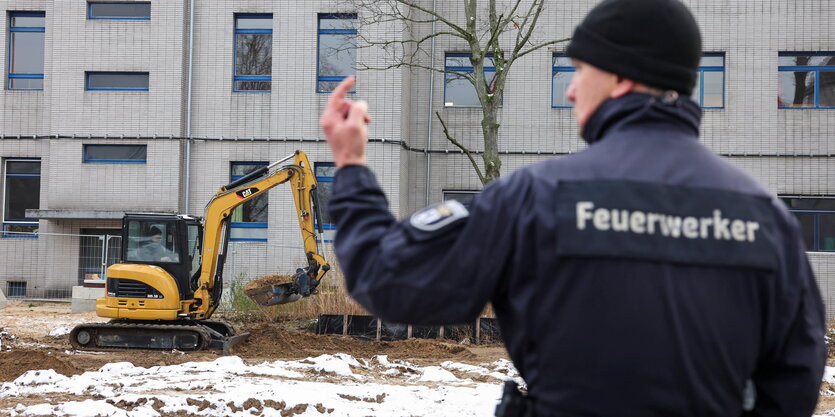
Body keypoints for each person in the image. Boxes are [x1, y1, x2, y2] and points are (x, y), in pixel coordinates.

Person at [319, 0, 826, 415]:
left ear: (621, 79)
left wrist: (353, 166)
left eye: (580, 69)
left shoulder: (534, 198)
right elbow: (799, 370)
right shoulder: (765, 218)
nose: (570, 87)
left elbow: (391, 280)